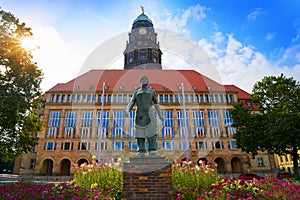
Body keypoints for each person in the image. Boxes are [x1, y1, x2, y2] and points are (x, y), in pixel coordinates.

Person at [125, 76, 164, 155]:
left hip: (149, 114)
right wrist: (127, 109)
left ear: (148, 81)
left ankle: (152, 149)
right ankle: (141, 150)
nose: (144, 80)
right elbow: (131, 102)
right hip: (140, 114)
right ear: (140, 82)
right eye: (142, 79)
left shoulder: (152, 92)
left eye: (145, 79)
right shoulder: (137, 92)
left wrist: (160, 114)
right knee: (139, 132)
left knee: (151, 131)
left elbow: (156, 104)